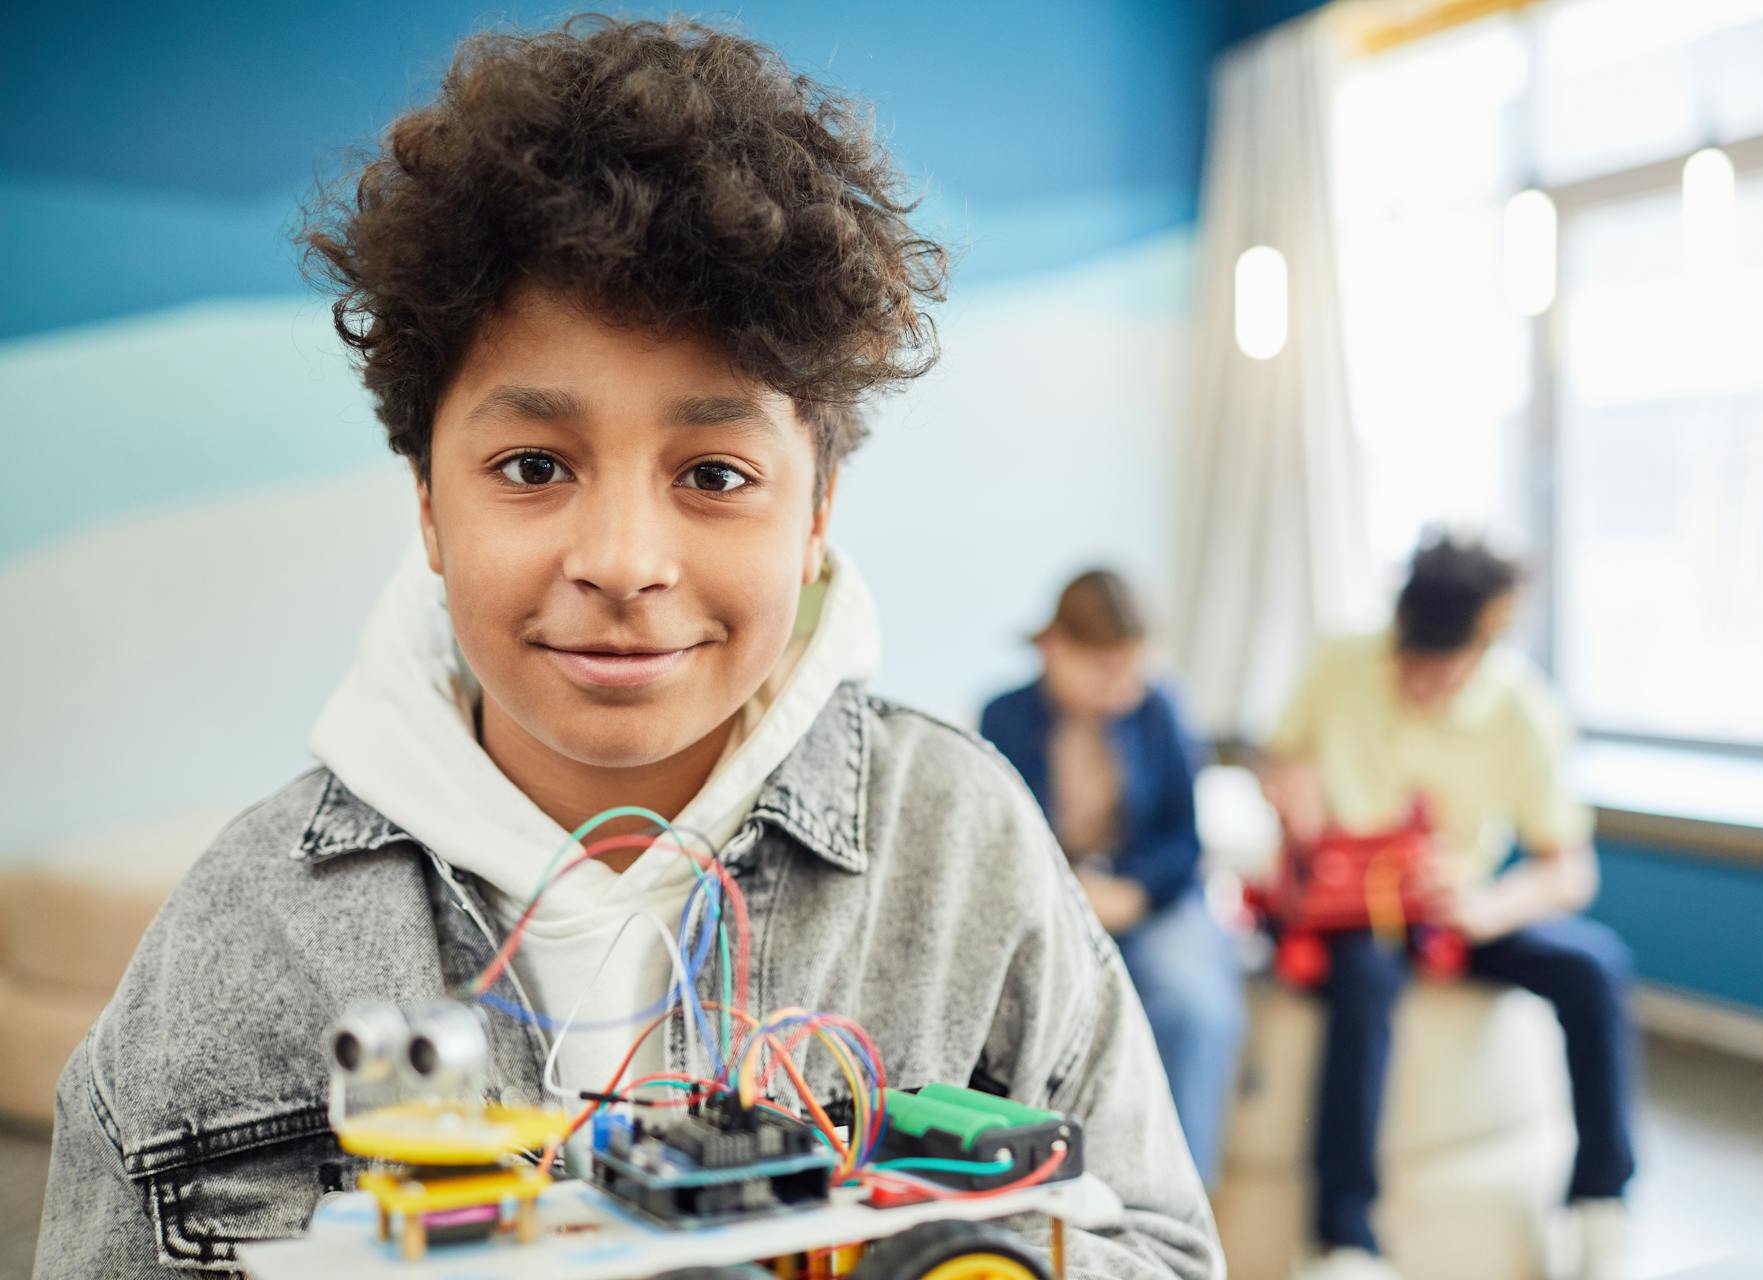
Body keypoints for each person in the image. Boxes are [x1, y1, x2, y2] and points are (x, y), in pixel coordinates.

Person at [33, 19, 1220, 1279]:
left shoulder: (967, 855)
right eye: (533, 466)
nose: (622, 559)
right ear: (428, 503)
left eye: (715, 473)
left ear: (816, 515)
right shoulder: (244, 939)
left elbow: (1158, 1247)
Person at [1264, 534, 1635, 1280]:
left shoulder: (1524, 711)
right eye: (1409, 661)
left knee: (1596, 966)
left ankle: (1601, 1203)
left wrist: (1487, 909)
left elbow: (1568, 870)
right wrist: (1291, 790)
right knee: (1364, 982)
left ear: (1485, 641)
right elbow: (1279, 759)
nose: (1419, 682)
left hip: (1459, 909)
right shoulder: (1341, 661)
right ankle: (1344, 1238)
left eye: (1440, 670)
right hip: (1350, 911)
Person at [982, 570, 1247, 1189]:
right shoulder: (1005, 717)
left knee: (1192, 1006)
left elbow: (1184, 843)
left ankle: (1178, 1199)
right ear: (1055, 649)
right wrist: (1069, 892)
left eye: (1133, 668)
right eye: (1105, 671)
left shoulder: (1160, 709)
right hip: (1051, 898)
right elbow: (1004, 839)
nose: (1123, 689)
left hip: (1149, 896)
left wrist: (1130, 893)